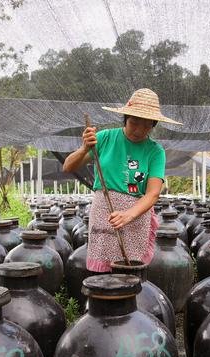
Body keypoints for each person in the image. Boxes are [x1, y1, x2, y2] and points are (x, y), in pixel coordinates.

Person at [62, 88, 182, 272]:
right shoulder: (104, 138)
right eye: (134, 123)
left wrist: (129, 214)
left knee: (129, 272)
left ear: (153, 125)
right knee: (102, 274)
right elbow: (68, 166)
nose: (139, 130)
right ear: (125, 118)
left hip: (136, 216)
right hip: (104, 213)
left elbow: (152, 194)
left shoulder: (155, 151)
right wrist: (85, 148)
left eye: (147, 125)